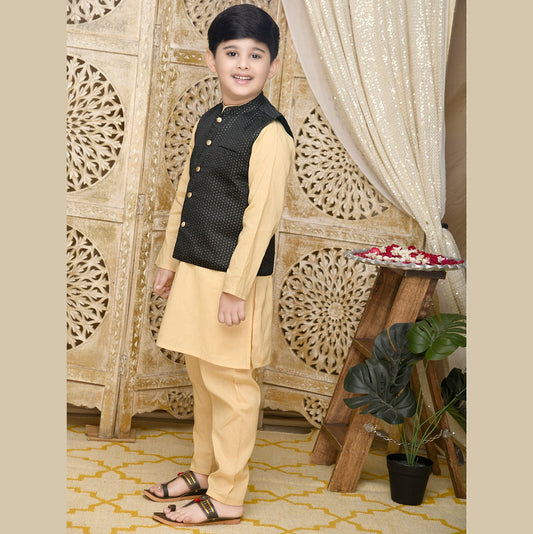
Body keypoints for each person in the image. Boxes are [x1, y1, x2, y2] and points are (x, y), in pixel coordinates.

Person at [143, 4, 295, 528]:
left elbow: (262, 219)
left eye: (256, 55)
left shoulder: (270, 133)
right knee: (202, 377)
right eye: (232, 53)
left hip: (235, 280)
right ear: (212, 60)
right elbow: (186, 195)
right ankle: (203, 471)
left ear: (273, 65)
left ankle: (228, 495)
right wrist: (169, 261)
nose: (243, 64)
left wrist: (237, 289)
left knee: (231, 386)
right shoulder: (209, 121)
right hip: (196, 268)